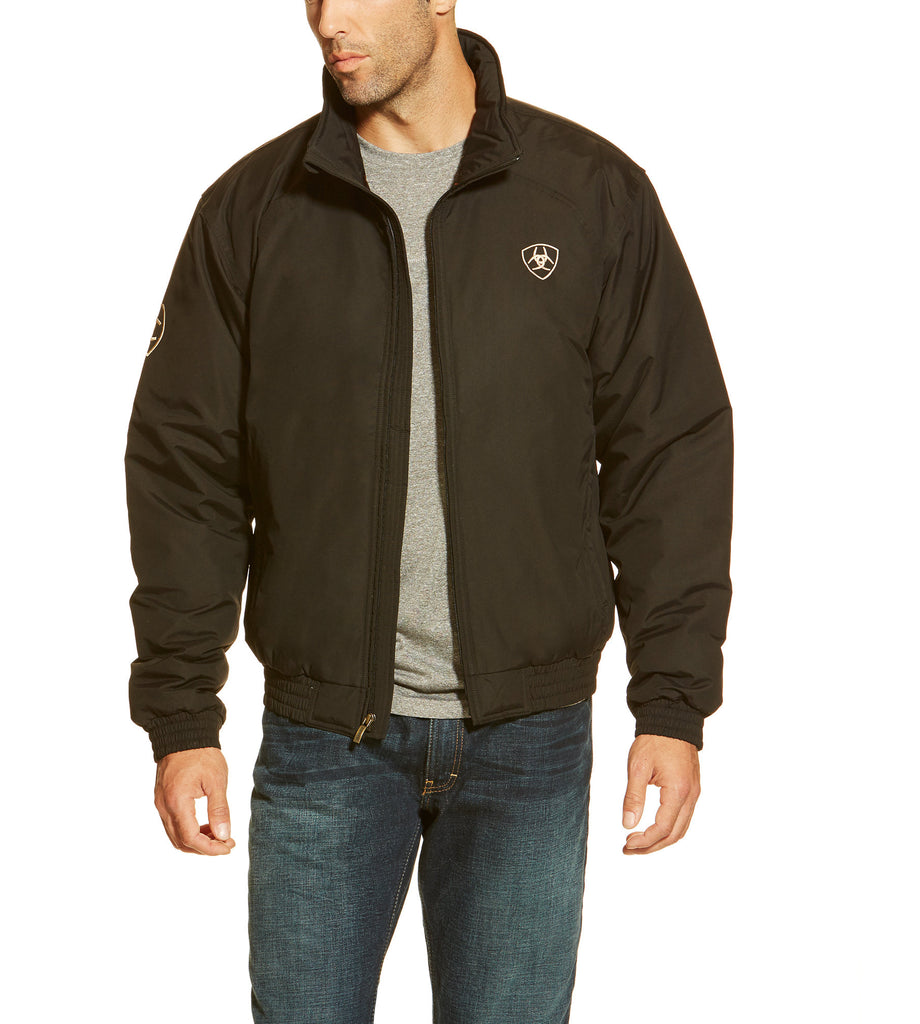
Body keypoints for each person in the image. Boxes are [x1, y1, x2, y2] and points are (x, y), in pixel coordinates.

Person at [124, 1, 733, 1021]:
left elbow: (668, 449)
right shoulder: (254, 209)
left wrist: (671, 702)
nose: (329, 21)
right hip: (326, 739)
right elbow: (185, 466)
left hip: (529, 740)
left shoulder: (588, 193)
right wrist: (182, 715)